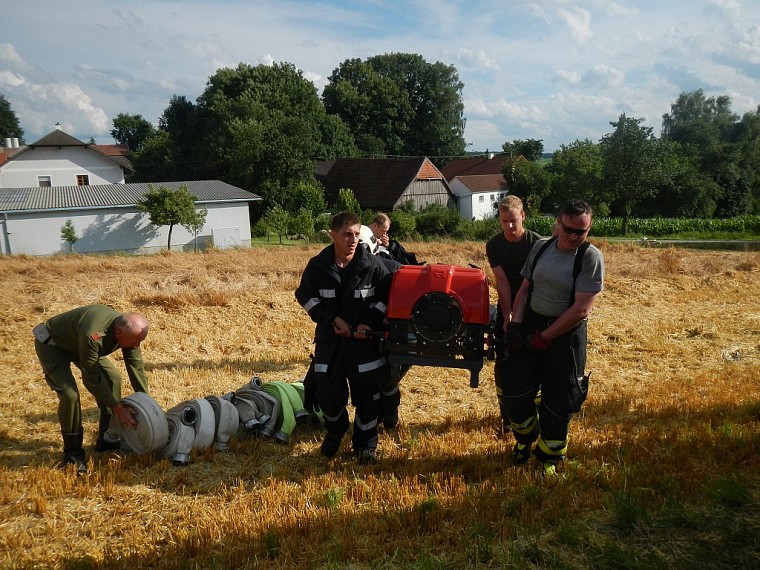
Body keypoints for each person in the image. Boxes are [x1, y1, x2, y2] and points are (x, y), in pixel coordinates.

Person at [504, 198, 604, 475]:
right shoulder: (541, 247)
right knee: (514, 394)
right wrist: (516, 325)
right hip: (532, 326)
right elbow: (525, 288)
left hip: (566, 337)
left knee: (558, 402)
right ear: (558, 223)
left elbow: (581, 309)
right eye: (569, 229)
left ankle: (550, 455)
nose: (573, 236)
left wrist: (545, 337)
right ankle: (525, 438)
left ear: (589, 228)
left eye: (581, 232)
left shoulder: (590, 257)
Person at [295, 212, 391, 465]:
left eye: (357, 234)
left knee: (368, 399)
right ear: (333, 235)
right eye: (348, 234)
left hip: (364, 344)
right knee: (327, 394)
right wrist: (331, 319)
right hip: (330, 342)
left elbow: (386, 298)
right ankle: (336, 430)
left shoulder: (373, 266)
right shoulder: (318, 266)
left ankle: (365, 446)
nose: (353, 239)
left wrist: (368, 323)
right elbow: (305, 296)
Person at [33, 305, 150, 474]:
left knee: (112, 378)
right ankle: (72, 455)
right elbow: (91, 379)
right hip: (52, 344)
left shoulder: (128, 331)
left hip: (78, 344)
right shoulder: (94, 335)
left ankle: (106, 438)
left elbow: (136, 367)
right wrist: (118, 409)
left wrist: (146, 403)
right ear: (119, 333)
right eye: (135, 341)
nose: (137, 345)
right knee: (70, 395)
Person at [485, 196, 542, 435]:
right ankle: (507, 416)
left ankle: (535, 414)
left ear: (523, 216)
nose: (509, 226)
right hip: (506, 304)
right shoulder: (494, 245)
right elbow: (502, 281)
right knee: (505, 360)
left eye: (514, 220)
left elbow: (533, 284)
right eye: (504, 221)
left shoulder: (537, 244)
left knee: (533, 359)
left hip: (534, 308)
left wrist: (520, 318)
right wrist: (508, 318)